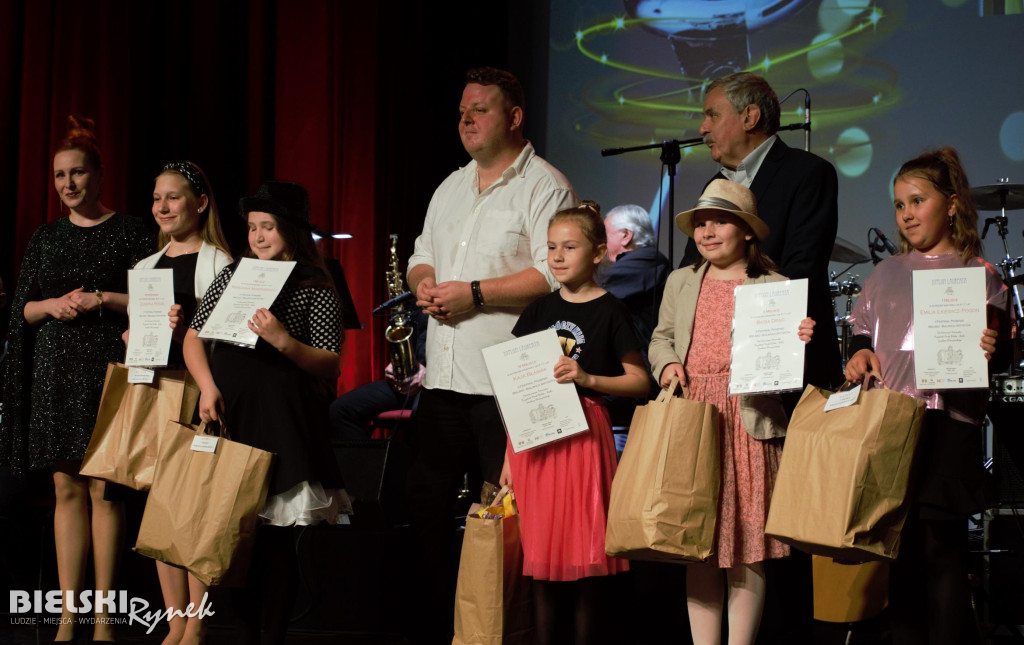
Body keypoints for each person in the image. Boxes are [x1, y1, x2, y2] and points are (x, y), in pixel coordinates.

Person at [405, 66, 576, 643]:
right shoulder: (451, 186)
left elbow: (557, 272)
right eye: (461, 111)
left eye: (479, 109)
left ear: (514, 117)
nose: (466, 120)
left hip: (504, 384)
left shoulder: (543, 186)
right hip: (444, 380)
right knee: (425, 507)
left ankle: (504, 631)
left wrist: (475, 293)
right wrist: (425, 282)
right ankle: (449, 624)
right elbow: (422, 252)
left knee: (505, 517)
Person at [844, 148, 1010, 645]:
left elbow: (998, 356)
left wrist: (993, 348)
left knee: (942, 553)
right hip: (893, 428)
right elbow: (860, 333)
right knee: (900, 552)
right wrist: (857, 356)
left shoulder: (980, 274)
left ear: (952, 204)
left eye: (918, 200)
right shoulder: (883, 274)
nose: (907, 214)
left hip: (948, 426)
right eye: (899, 205)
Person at [0, 115, 153, 642]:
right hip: (54, 373)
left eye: (78, 173)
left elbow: (154, 301)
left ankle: (106, 618)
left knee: (104, 489)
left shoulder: (132, 231)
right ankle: (70, 615)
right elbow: (22, 311)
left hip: (108, 367)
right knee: (66, 488)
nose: (68, 184)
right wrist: (52, 304)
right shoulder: (45, 237)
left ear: (100, 175)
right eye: (60, 175)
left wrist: (102, 299)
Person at [183, 180, 350, 644]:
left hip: (282, 425)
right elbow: (195, 336)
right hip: (232, 416)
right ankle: (242, 633)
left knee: (275, 548)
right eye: (253, 227)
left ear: (291, 231)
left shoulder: (314, 284)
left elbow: (330, 361)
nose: (257, 237)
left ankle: (272, 637)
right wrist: (207, 386)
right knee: (234, 542)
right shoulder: (233, 275)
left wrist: (283, 341)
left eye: (268, 227)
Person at [649, 180, 815, 645]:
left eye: (719, 221)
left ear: (746, 231)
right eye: (701, 223)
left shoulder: (775, 286)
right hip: (695, 417)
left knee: (746, 547)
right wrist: (667, 365)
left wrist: (794, 343)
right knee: (698, 544)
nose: (707, 231)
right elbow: (661, 338)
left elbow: (783, 376)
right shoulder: (681, 280)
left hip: (748, 422)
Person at [498, 201, 647, 644]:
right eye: (551, 248)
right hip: (538, 442)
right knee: (541, 557)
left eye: (570, 246)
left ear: (598, 253)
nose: (558, 256)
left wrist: (587, 377)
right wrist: (509, 453)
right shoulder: (538, 311)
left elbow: (639, 381)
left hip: (584, 436)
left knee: (584, 558)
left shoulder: (611, 310)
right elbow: (516, 389)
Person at [682, 71, 841, 391]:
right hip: (710, 371)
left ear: (750, 117)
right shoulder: (715, 186)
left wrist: (739, 324)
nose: (703, 128)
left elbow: (800, 268)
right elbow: (692, 272)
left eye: (712, 115)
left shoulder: (808, 173)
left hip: (781, 362)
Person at [133, 160, 232, 645]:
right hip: (156, 390)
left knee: (197, 510)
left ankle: (198, 621)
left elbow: (226, 337)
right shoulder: (145, 268)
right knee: (162, 511)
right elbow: (139, 337)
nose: (163, 206)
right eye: (157, 198)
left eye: (173, 197)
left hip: (198, 391)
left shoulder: (220, 263)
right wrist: (135, 335)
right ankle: (174, 621)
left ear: (200, 202)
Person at [597, 204, 670, 427]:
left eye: (603, 234)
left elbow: (594, 292)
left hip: (642, 376)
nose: (597, 242)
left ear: (626, 235)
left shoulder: (646, 261)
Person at [328, 309, 427, 441]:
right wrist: (399, 363)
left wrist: (429, 372)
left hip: (440, 386)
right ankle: (365, 461)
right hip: (412, 381)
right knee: (341, 410)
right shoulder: (415, 302)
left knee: (424, 416)